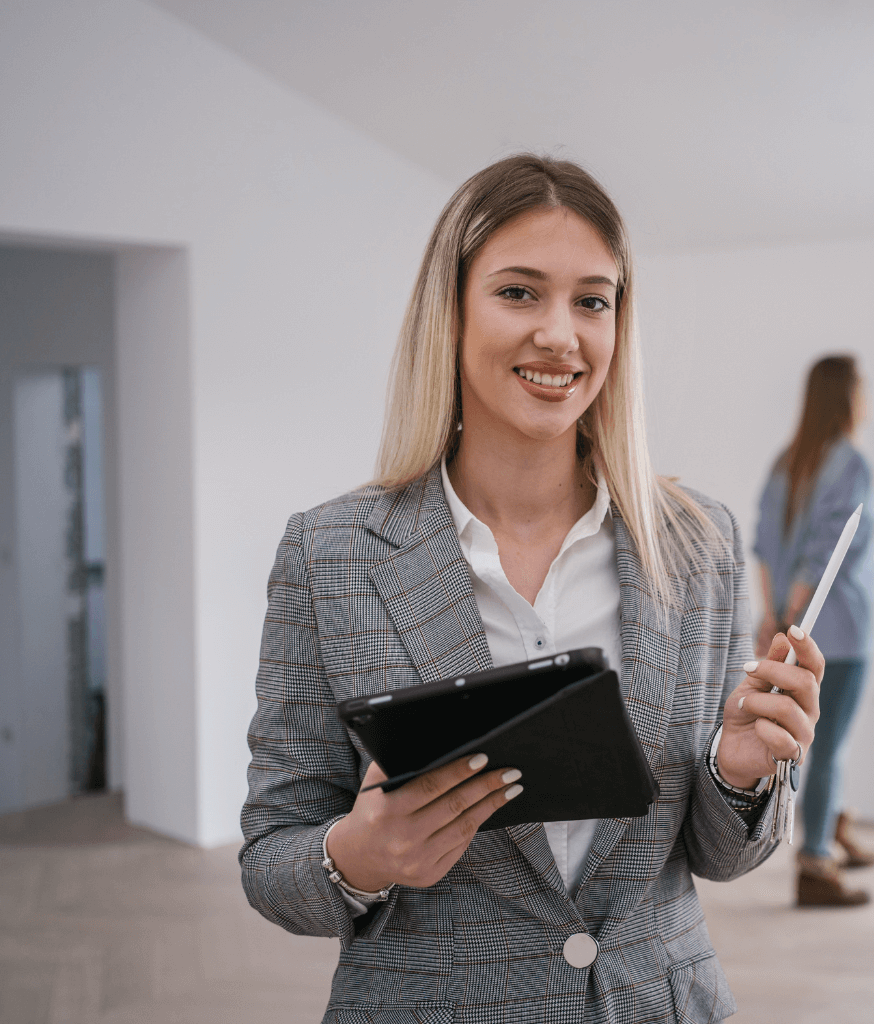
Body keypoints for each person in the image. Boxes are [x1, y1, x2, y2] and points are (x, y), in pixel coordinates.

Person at [238, 155, 828, 1024]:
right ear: (451, 310)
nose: (562, 333)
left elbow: (715, 855)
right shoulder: (330, 553)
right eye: (519, 292)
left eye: (592, 300)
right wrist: (362, 854)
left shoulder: (699, 542)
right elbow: (270, 860)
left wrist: (739, 771)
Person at [753, 355, 874, 908]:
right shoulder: (850, 463)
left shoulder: (787, 460)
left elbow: (763, 545)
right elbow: (826, 553)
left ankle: (832, 825)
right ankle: (816, 860)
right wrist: (796, 614)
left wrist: (774, 615)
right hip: (839, 631)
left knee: (811, 744)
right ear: (848, 397)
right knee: (826, 747)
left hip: (786, 623)